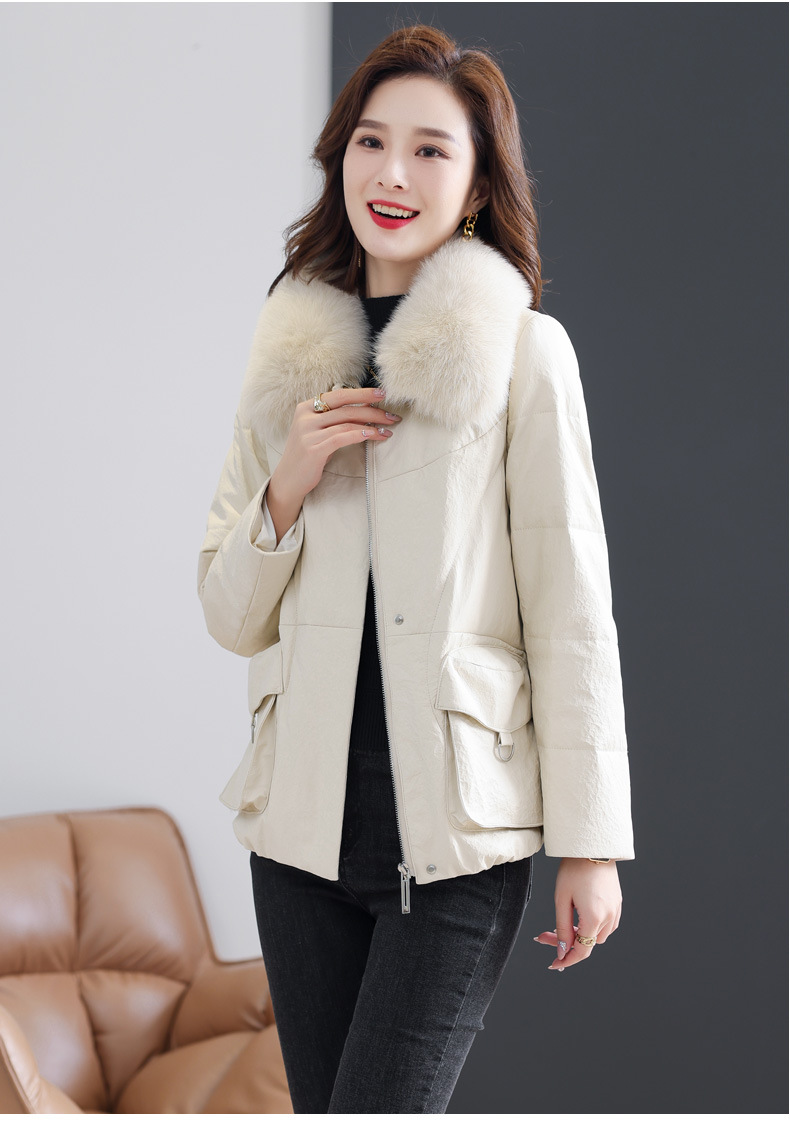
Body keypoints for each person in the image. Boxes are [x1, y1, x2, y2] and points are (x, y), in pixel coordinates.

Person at [198, 24, 634, 1115]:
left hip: (457, 838)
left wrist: (591, 844)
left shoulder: (523, 353)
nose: (391, 173)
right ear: (340, 156)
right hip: (298, 835)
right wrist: (287, 483)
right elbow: (228, 613)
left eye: (431, 150)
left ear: (478, 185)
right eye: (370, 141)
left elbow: (572, 611)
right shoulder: (289, 354)